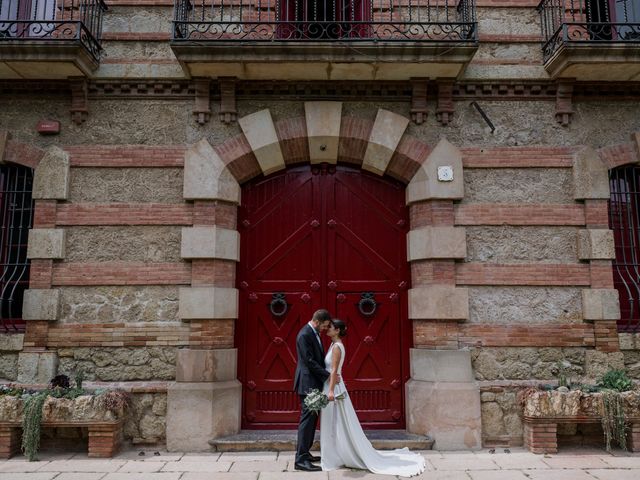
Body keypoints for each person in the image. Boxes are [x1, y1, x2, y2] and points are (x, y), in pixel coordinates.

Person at [320, 319, 426, 477]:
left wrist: (330, 391)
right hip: (333, 385)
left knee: (336, 421)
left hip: (333, 388)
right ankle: (336, 453)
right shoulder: (333, 345)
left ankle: (335, 456)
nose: (327, 329)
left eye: (331, 327)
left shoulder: (336, 347)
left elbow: (334, 370)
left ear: (338, 330)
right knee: (335, 422)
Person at [293, 308, 332, 472]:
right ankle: (300, 460)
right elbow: (309, 361)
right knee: (307, 421)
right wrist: (328, 375)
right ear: (317, 322)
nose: (325, 329)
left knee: (311, 420)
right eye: (324, 325)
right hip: (307, 383)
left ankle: (306, 453)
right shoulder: (304, 335)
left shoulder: (313, 333)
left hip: (313, 382)